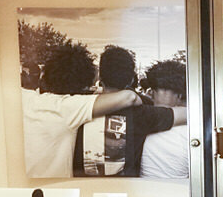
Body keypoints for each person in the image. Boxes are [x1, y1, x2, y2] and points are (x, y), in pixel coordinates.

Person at [21, 44, 141, 177]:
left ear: (46, 73)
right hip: (55, 189)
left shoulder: (26, 97)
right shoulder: (70, 107)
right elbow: (129, 97)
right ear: (84, 84)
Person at [73, 46, 187, 177]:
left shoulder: (77, 107)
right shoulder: (143, 114)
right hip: (127, 192)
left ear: (100, 76)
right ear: (131, 80)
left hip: (83, 189)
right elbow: (187, 114)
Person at [139, 59, 190, 179]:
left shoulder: (144, 121)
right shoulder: (194, 126)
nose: (152, 95)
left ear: (179, 95)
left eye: (158, 90)